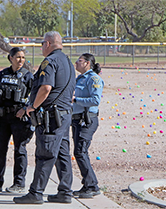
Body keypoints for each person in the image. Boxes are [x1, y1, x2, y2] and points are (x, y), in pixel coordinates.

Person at [14, 31, 76, 204]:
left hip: (51, 117)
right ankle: (65, 191)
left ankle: (36, 193)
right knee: (62, 154)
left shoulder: (50, 61)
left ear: (48, 44)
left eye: (42, 43)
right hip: (64, 116)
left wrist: (32, 106)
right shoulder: (69, 63)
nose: (42, 47)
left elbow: (46, 88)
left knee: (46, 154)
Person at [0, 47, 34, 194]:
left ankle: (19, 183)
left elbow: (34, 97)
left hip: (19, 119)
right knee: (0, 150)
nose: (21, 60)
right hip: (1, 118)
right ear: (11, 58)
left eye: (23, 57)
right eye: (18, 57)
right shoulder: (2, 74)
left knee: (20, 150)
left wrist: (26, 109)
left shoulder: (28, 76)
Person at [71, 53, 103, 199]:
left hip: (87, 119)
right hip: (77, 119)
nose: (76, 62)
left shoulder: (94, 79)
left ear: (87, 63)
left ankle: (92, 186)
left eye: (80, 60)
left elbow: (95, 100)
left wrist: (76, 99)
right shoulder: (79, 78)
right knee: (79, 152)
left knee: (80, 151)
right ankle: (87, 185)